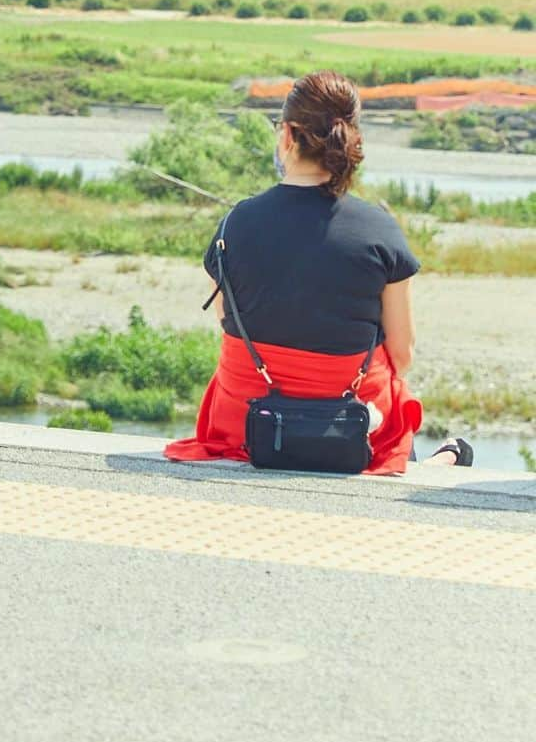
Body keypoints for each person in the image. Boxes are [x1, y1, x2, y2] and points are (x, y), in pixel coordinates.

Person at [164, 69, 473, 475]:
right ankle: (449, 456)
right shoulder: (380, 230)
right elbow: (402, 354)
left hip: (246, 423)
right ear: (349, 140)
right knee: (387, 411)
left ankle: (447, 456)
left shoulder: (236, 222)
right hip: (347, 422)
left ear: (288, 135)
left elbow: (229, 321)